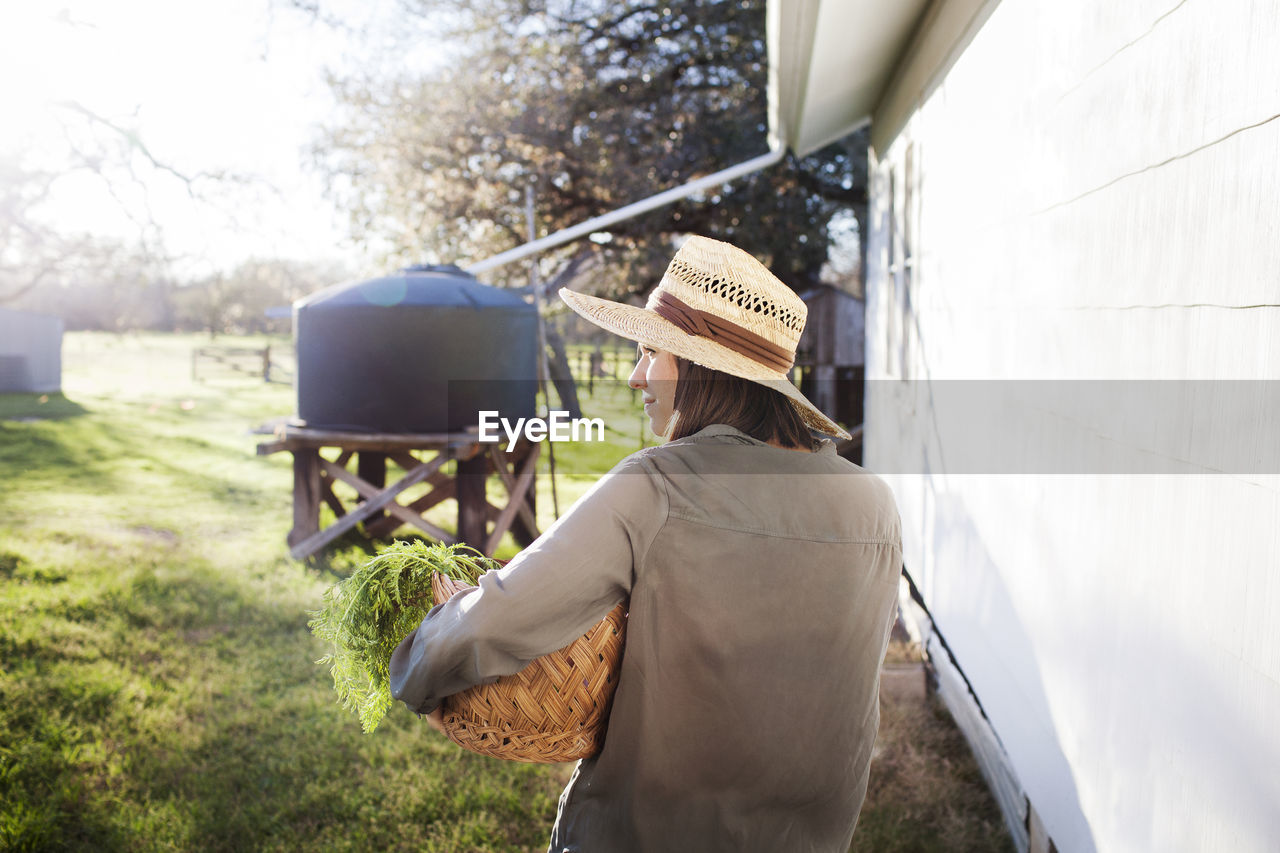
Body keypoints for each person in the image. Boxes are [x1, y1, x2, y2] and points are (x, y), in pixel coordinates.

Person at [389, 235, 903, 852]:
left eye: (650, 351)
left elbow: (491, 621)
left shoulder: (655, 487)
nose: (635, 377)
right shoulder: (874, 502)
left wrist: (415, 672)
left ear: (702, 366)